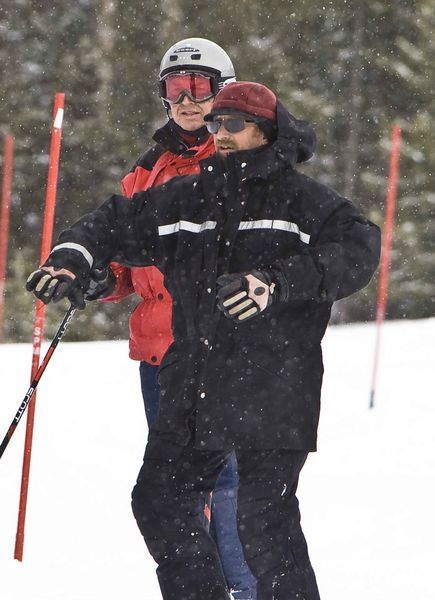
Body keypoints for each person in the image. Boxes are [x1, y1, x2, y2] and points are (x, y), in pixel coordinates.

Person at [26, 81, 381, 600]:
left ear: (267, 130)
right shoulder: (191, 197)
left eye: (233, 124)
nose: (221, 134)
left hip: (275, 387)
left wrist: (275, 281)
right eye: (216, 124)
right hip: (198, 381)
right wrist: (73, 257)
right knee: (160, 500)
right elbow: (114, 220)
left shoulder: (303, 201)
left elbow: (359, 248)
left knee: (263, 523)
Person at [98, 38, 256, 599]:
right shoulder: (145, 173)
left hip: (223, 346)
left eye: (200, 88)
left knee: (228, 477)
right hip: (160, 356)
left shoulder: (240, 157)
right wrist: (105, 278)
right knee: (174, 487)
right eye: (175, 88)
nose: (188, 100)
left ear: (222, 92)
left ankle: (242, 587)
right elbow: (124, 253)